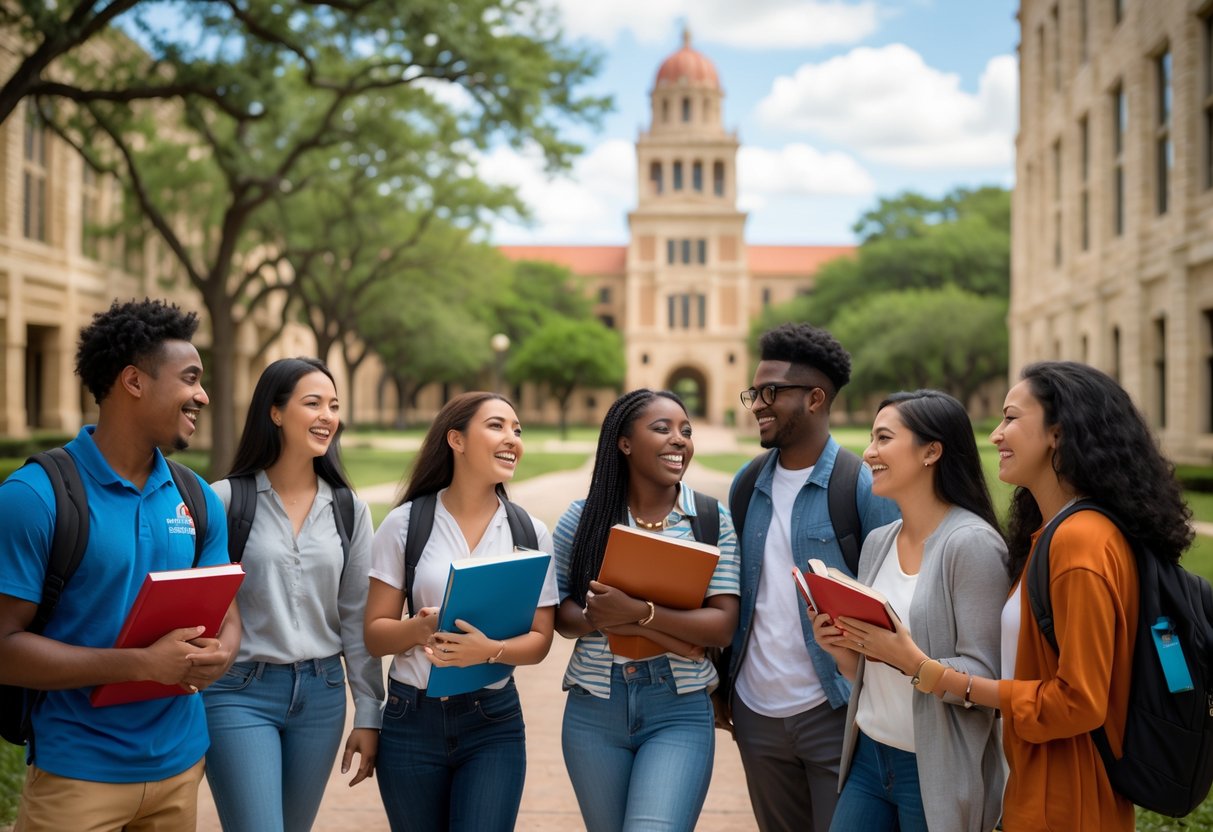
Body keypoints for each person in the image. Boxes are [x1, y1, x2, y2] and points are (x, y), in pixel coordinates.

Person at [884, 361, 1193, 831]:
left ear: (1058, 433)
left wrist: (941, 677)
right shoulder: (1054, 533)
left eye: (1011, 417)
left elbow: (1079, 701)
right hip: (1039, 787)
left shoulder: (1080, 542)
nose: (995, 435)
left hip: (1067, 801)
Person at [0, 298, 237, 831]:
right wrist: (139, 665)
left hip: (180, 767)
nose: (202, 394)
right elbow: (4, 649)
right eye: (190, 378)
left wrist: (221, 656)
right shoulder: (33, 498)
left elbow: (226, 609)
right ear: (134, 381)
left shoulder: (197, 498)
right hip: (76, 775)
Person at [725, 322, 899, 832]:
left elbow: (895, 599)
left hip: (836, 709)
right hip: (755, 712)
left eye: (771, 392)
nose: (757, 403)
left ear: (816, 398)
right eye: (754, 392)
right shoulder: (746, 483)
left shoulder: (860, 484)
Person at [810, 390, 1008, 832]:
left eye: (883, 438)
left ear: (931, 451)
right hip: (867, 754)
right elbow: (868, 669)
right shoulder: (880, 541)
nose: (869, 453)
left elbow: (988, 680)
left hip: (933, 765)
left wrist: (906, 657)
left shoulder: (972, 544)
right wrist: (841, 647)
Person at [202, 357, 383, 831]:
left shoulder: (349, 510)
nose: (328, 415)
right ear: (275, 412)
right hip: (238, 691)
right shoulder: (223, 500)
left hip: (322, 697)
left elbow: (356, 617)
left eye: (334, 405)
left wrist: (368, 711)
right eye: (313, 403)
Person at [364, 391, 558, 832]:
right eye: (497, 426)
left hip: (493, 721)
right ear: (456, 439)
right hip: (410, 718)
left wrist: (489, 651)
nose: (512, 438)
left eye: (518, 430)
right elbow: (374, 635)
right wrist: (420, 628)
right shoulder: (405, 524)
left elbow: (541, 639)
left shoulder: (530, 532)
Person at [553, 388, 740, 832]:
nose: (680, 440)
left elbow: (721, 626)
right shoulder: (582, 519)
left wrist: (636, 612)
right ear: (625, 442)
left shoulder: (711, 520)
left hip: (678, 707)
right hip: (593, 707)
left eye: (686, 431)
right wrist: (597, 617)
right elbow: (562, 614)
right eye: (663, 429)